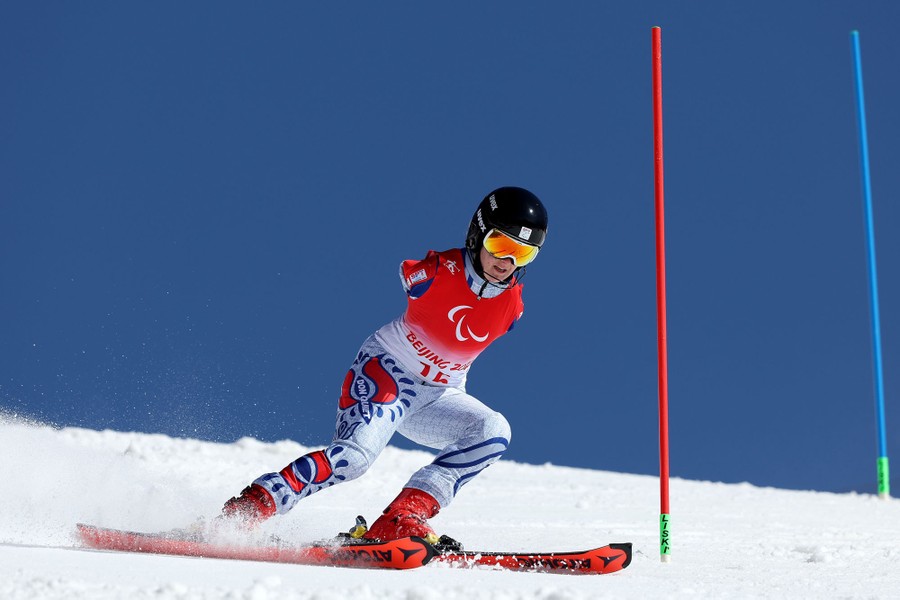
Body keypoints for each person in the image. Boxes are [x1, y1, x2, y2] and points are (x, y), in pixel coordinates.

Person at [221, 186, 549, 543]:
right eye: (500, 244)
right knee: (353, 459)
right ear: (478, 234)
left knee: (493, 430)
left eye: (523, 253)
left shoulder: (513, 306)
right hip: (388, 373)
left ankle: (403, 516)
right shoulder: (438, 271)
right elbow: (412, 274)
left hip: (439, 396)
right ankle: (251, 508)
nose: (507, 261)